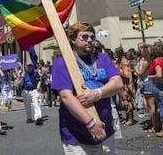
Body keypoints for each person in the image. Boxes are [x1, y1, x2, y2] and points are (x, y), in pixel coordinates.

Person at [51, 21, 123, 154]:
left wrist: (97, 94)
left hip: (106, 133)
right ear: (73, 39)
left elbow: (118, 83)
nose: (90, 40)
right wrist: (90, 123)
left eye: (92, 37)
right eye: (84, 37)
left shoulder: (102, 58)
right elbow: (66, 97)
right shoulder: (62, 63)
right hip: (78, 137)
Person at [20, 61, 43, 125]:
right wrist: (22, 77)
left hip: (33, 90)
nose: (29, 67)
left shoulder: (35, 72)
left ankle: (38, 118)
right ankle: (29, 117)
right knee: (27, 105)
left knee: (36, 104)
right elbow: (21, 84)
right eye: (28, 66)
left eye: (30, 66)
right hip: (25, 91)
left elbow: (39, 79)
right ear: (26, 67)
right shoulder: (23, 73)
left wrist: (38, 85)